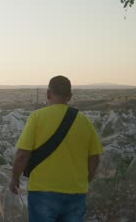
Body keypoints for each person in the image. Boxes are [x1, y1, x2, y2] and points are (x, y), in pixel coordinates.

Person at [9, 75, 103, 222]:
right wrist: (85, 180)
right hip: (76, 192)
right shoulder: (85, 121)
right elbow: (95, 158)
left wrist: (14, 178)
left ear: (48, 94)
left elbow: (22, 155)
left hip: (42, 191)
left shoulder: (37, 117)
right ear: (70, 96)